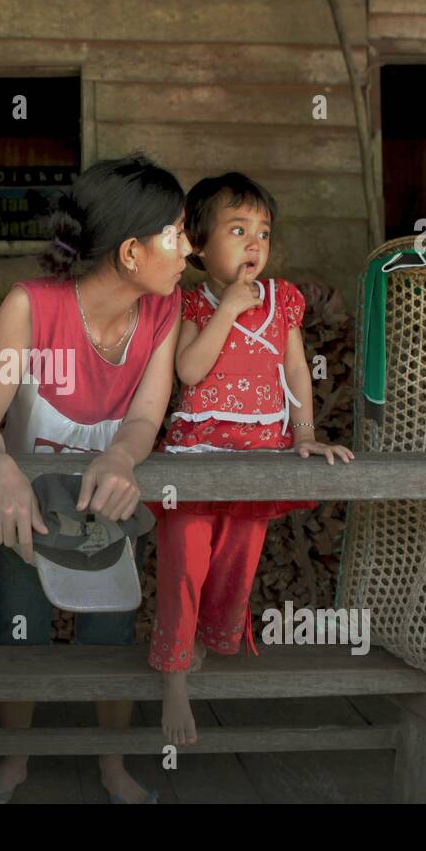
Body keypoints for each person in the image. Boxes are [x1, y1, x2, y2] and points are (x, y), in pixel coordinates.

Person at [0, 154, 186, 804]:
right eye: (176, 233)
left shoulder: (163, 314)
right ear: (133, 251)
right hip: (23, 509)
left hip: (105, 507)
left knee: (111, 634)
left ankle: (110, 762)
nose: (188, 247)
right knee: (20, 631)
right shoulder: (31, 307)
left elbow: (146, 417)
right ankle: (19, 759)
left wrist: (119, 459)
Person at [151, 172, 353, 747]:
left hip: (259, 458)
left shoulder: (284, 300)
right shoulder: (190, 300)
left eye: (262, 232)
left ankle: (205, 648)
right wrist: (228, 309)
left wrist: (305, 434)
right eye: (237, 230)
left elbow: (294, 371)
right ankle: (174, 676)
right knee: (185, 563)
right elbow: (188, 371)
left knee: (236, 566)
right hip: (196, 458)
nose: (254, 244)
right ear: (199, 244)